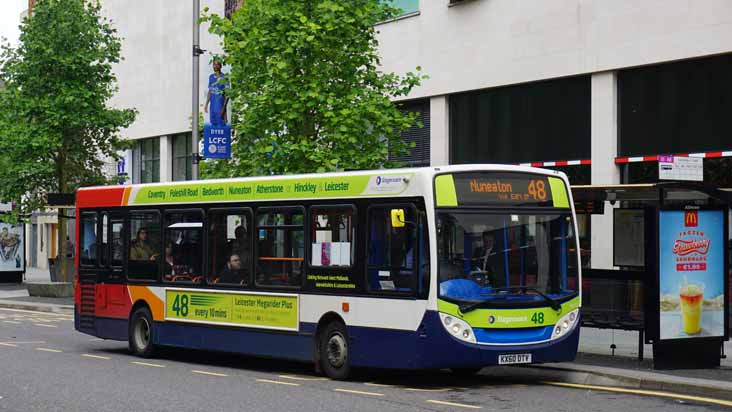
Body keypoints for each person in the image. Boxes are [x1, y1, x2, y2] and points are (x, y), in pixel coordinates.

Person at [204, 60, 228, 125]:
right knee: (213, 127)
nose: (215, 66)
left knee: (221, 128)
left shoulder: (224, 77)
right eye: (214, 64)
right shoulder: (211, 77)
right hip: (212, 108)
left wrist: (223, 108)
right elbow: (210, 91)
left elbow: (227, 95)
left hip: (220, 108)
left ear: (220, 66)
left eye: (217, 64)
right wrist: (206, 104)